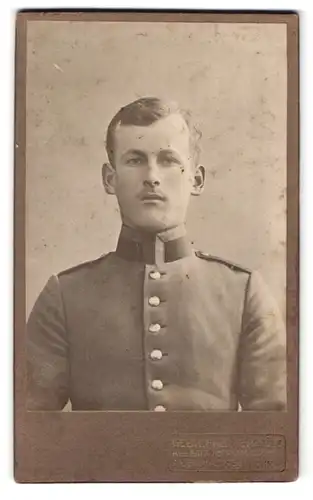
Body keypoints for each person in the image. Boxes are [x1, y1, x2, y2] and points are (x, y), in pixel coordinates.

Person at [26, 97, 286, 412]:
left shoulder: (243, 293)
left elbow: (275, 434)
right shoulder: (64, 296)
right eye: (135, 160)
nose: (152, 176)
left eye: (167, 160)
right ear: (110, 179)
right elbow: (29, 434)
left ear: (196, 179)